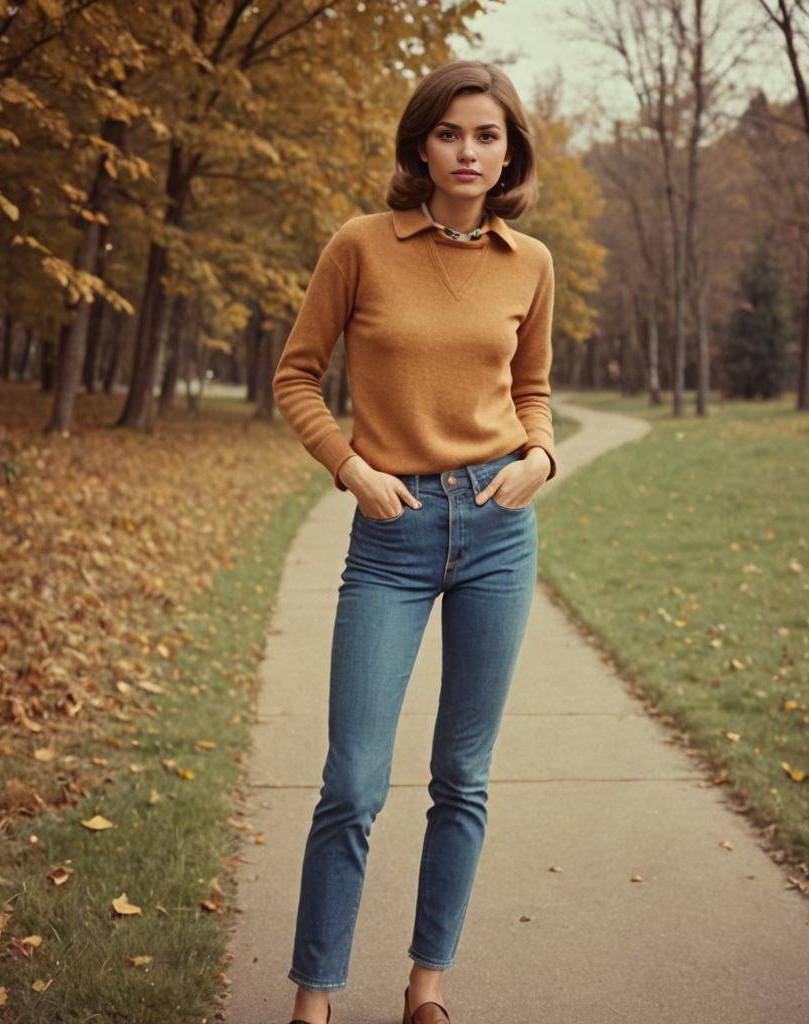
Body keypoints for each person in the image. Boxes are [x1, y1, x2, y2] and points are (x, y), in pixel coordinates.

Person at [272, 58, 557, 1024]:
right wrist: (351, 469)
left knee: (461, 777)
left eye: (488, 135)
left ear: (510, 149)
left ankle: (425, 989)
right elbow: (297, 377)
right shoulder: (360, 245)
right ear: (420, 145)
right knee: (352, 782)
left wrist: (543, 459)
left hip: (497, 532)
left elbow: (534, 391)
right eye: (450, 133)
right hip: (388, 535)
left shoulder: (532, 263)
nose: (469, 151)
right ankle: (314, 1001)